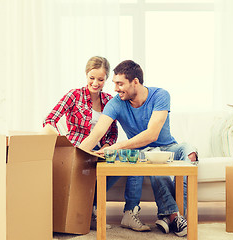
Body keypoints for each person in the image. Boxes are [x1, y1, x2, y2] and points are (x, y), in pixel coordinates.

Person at [79, 59, 198, 237]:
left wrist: (117, 146)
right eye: (114, 83)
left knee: (189, 150)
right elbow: (95, 135)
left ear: (135, 82)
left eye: (120, 84)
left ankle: (172, 216)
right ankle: (174, 217)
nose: (116, 88)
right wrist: (75, 156)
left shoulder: (160, 95)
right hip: (144, 153)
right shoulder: (116, 103)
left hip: (168, 147)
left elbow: (152, 134)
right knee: (151, 155)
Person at [43, 56, 150, 232]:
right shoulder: (74, 95)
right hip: (78, 151)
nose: (95, 83)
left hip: (99, 153)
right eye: (92, 78)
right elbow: (50, 120)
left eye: (100, 79)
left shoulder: (110, 100)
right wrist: (64, 142)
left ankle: (123, 212)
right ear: (86, 75)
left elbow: (113, 132)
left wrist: (105, 148)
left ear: (106, 79)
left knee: (130, 161)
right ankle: (89, 212)